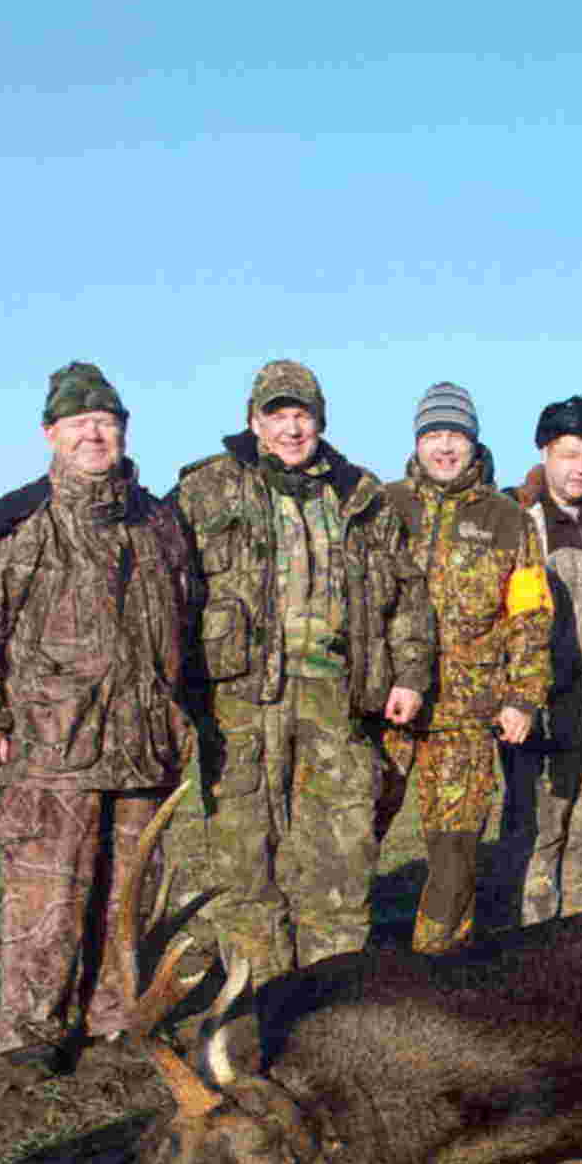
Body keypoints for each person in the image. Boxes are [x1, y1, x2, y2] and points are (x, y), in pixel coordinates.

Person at [0, 362, 195, 1075]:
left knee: (130, 895)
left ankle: (116, 1023)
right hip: (54, 745)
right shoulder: (19, 523)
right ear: (50, 434)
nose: (94, 433)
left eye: (106, 422)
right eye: (79, 422)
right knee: (44, 895)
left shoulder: (158, 520)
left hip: (146, 746)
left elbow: (189, 620)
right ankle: (30, 1031)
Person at [169, 360, 434, 984]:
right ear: (253, 420)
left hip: (336, 702)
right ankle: (254, 1000)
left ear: (320, 421)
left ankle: (332, 998)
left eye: (302, 415)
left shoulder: (361, 496)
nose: (291, 428)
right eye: (278, 414)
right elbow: (166, 589)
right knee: (242, 857)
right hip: (238, 702)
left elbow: (408, 596)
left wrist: (411, 674)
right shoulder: (206, 489)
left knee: (341, 859)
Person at [377, 383, 554, 950]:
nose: (444, 447)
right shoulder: (382, 506)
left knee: (453, 851)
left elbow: (530, 615)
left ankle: (438, 968)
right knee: (353, 840)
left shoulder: (508, 520)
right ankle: (345, 965)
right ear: (417, 442)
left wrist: (523, 696)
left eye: (455, 434)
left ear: (473, 442)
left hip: (466, 713)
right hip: (384, 709)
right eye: (433, 435)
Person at [498, 396, 582, 925]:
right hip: (538, 704)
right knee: (537, 828)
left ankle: (581, 937)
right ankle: (527, 942)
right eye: (569, 454)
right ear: (544, 451)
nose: (580, 468)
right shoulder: (514, 518)